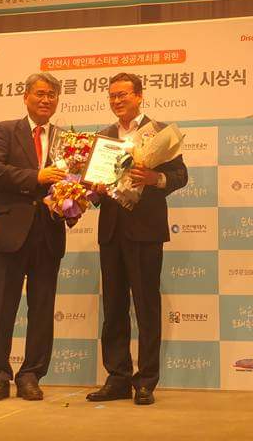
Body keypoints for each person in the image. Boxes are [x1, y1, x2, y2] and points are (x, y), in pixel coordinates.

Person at [86, 72, 188, 406]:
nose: (117, 101)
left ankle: (145, 381)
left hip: (145, 231)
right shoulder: (103, 137)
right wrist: (94, 189)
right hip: (111, 232)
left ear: (139, 95)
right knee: (114, 308)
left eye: (123, 94)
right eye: (112, 96)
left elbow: (180, 176)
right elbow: (93, 190)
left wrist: (154, 178)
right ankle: (117, 378)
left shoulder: (159, 133)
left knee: (146, 308)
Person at [0, 72, 70, 402]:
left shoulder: (66, 138)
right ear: (26, 96)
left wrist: (73, 197)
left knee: (42, 310)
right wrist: (36, 177)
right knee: (0, 307)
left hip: (48, 232)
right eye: (40, 94)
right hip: (10, 232)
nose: (46, 100)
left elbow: (73, 179)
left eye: (52, 95)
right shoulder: (5, 130)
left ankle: (31, 375)